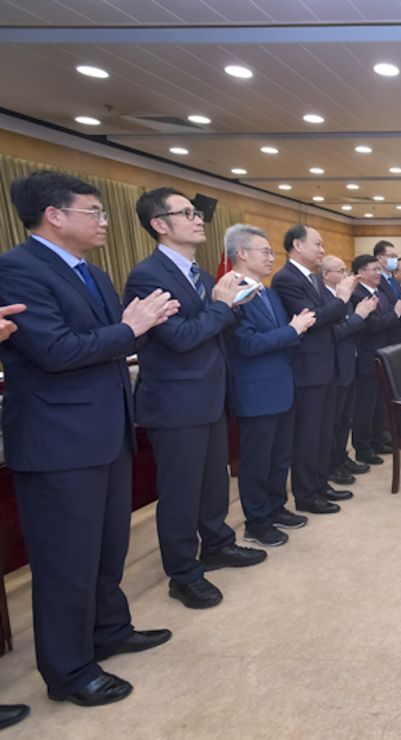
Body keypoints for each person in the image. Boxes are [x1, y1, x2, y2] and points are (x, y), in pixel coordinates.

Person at [0, 172, 177, 708]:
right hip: (58, 441)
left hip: (104, 432)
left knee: (106, 548)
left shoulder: (94, 274)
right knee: (65, 561)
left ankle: (109, 628)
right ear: (54, 214)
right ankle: (70, 669)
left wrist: (127, 330)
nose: (104, 221)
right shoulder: (17, 269)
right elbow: (55, 350)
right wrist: (132, 328)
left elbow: (101, 344)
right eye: (94, 211)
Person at [126, 187, 266, 610]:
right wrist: (223, 308)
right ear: (159, 225)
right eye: (186, 213)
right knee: (181, 491)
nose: (197, 218)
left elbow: (213, 329)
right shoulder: (148, 276)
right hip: (175, 402)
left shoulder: (201, 275)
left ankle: (218, 542)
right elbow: (181, 338)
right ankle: (183, 573)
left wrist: (234, 304)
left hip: (209, 395)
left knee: (213, 482)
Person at [224, 225, 318, 547]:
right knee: (257, 461)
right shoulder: (231, 293)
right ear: (242, 254)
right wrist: (293, 330)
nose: (271, 257)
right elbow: (246, 344)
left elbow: (283, 332)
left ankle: (277, 507)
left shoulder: (268, 292)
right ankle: (257, 521)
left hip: (282, 386)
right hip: (256, 390)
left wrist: (293, 330)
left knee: (280, 457)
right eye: (264, 251)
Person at [270, 225, 359, 517]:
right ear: (297, 244)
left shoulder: (312, 279)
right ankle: (306, 494)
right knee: (308, 435)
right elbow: (315, 319)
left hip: (326, 365)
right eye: (317, 244)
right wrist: (342, 299)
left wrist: (336, 305)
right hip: (307, 370)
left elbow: (330, 319)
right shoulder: (286, 279)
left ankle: (321, 485)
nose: (322, 250)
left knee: (323, 432)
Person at [349, 254, 401, 465]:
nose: (378, 273)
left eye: (378, 270)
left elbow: (391, 317)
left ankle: (378, 439)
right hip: (367, 356)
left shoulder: (381, 292)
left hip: (384, 355)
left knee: (381, 402)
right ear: (361, 273)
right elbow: (371, 325)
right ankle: (363, 448)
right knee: (365, 406)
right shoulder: (358, 295)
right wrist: (398, 312)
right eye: (373, 269)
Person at [322, 255, 373, 485]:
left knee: (346, 417)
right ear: (326, 275)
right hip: (335, 366)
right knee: (334, 420)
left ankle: (342, 457)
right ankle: (332, 463)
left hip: (351, 362)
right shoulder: (327, 299)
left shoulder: (345, 297)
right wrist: (359, 316)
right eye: (340, 271)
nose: (346, 275)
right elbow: (335, 333)